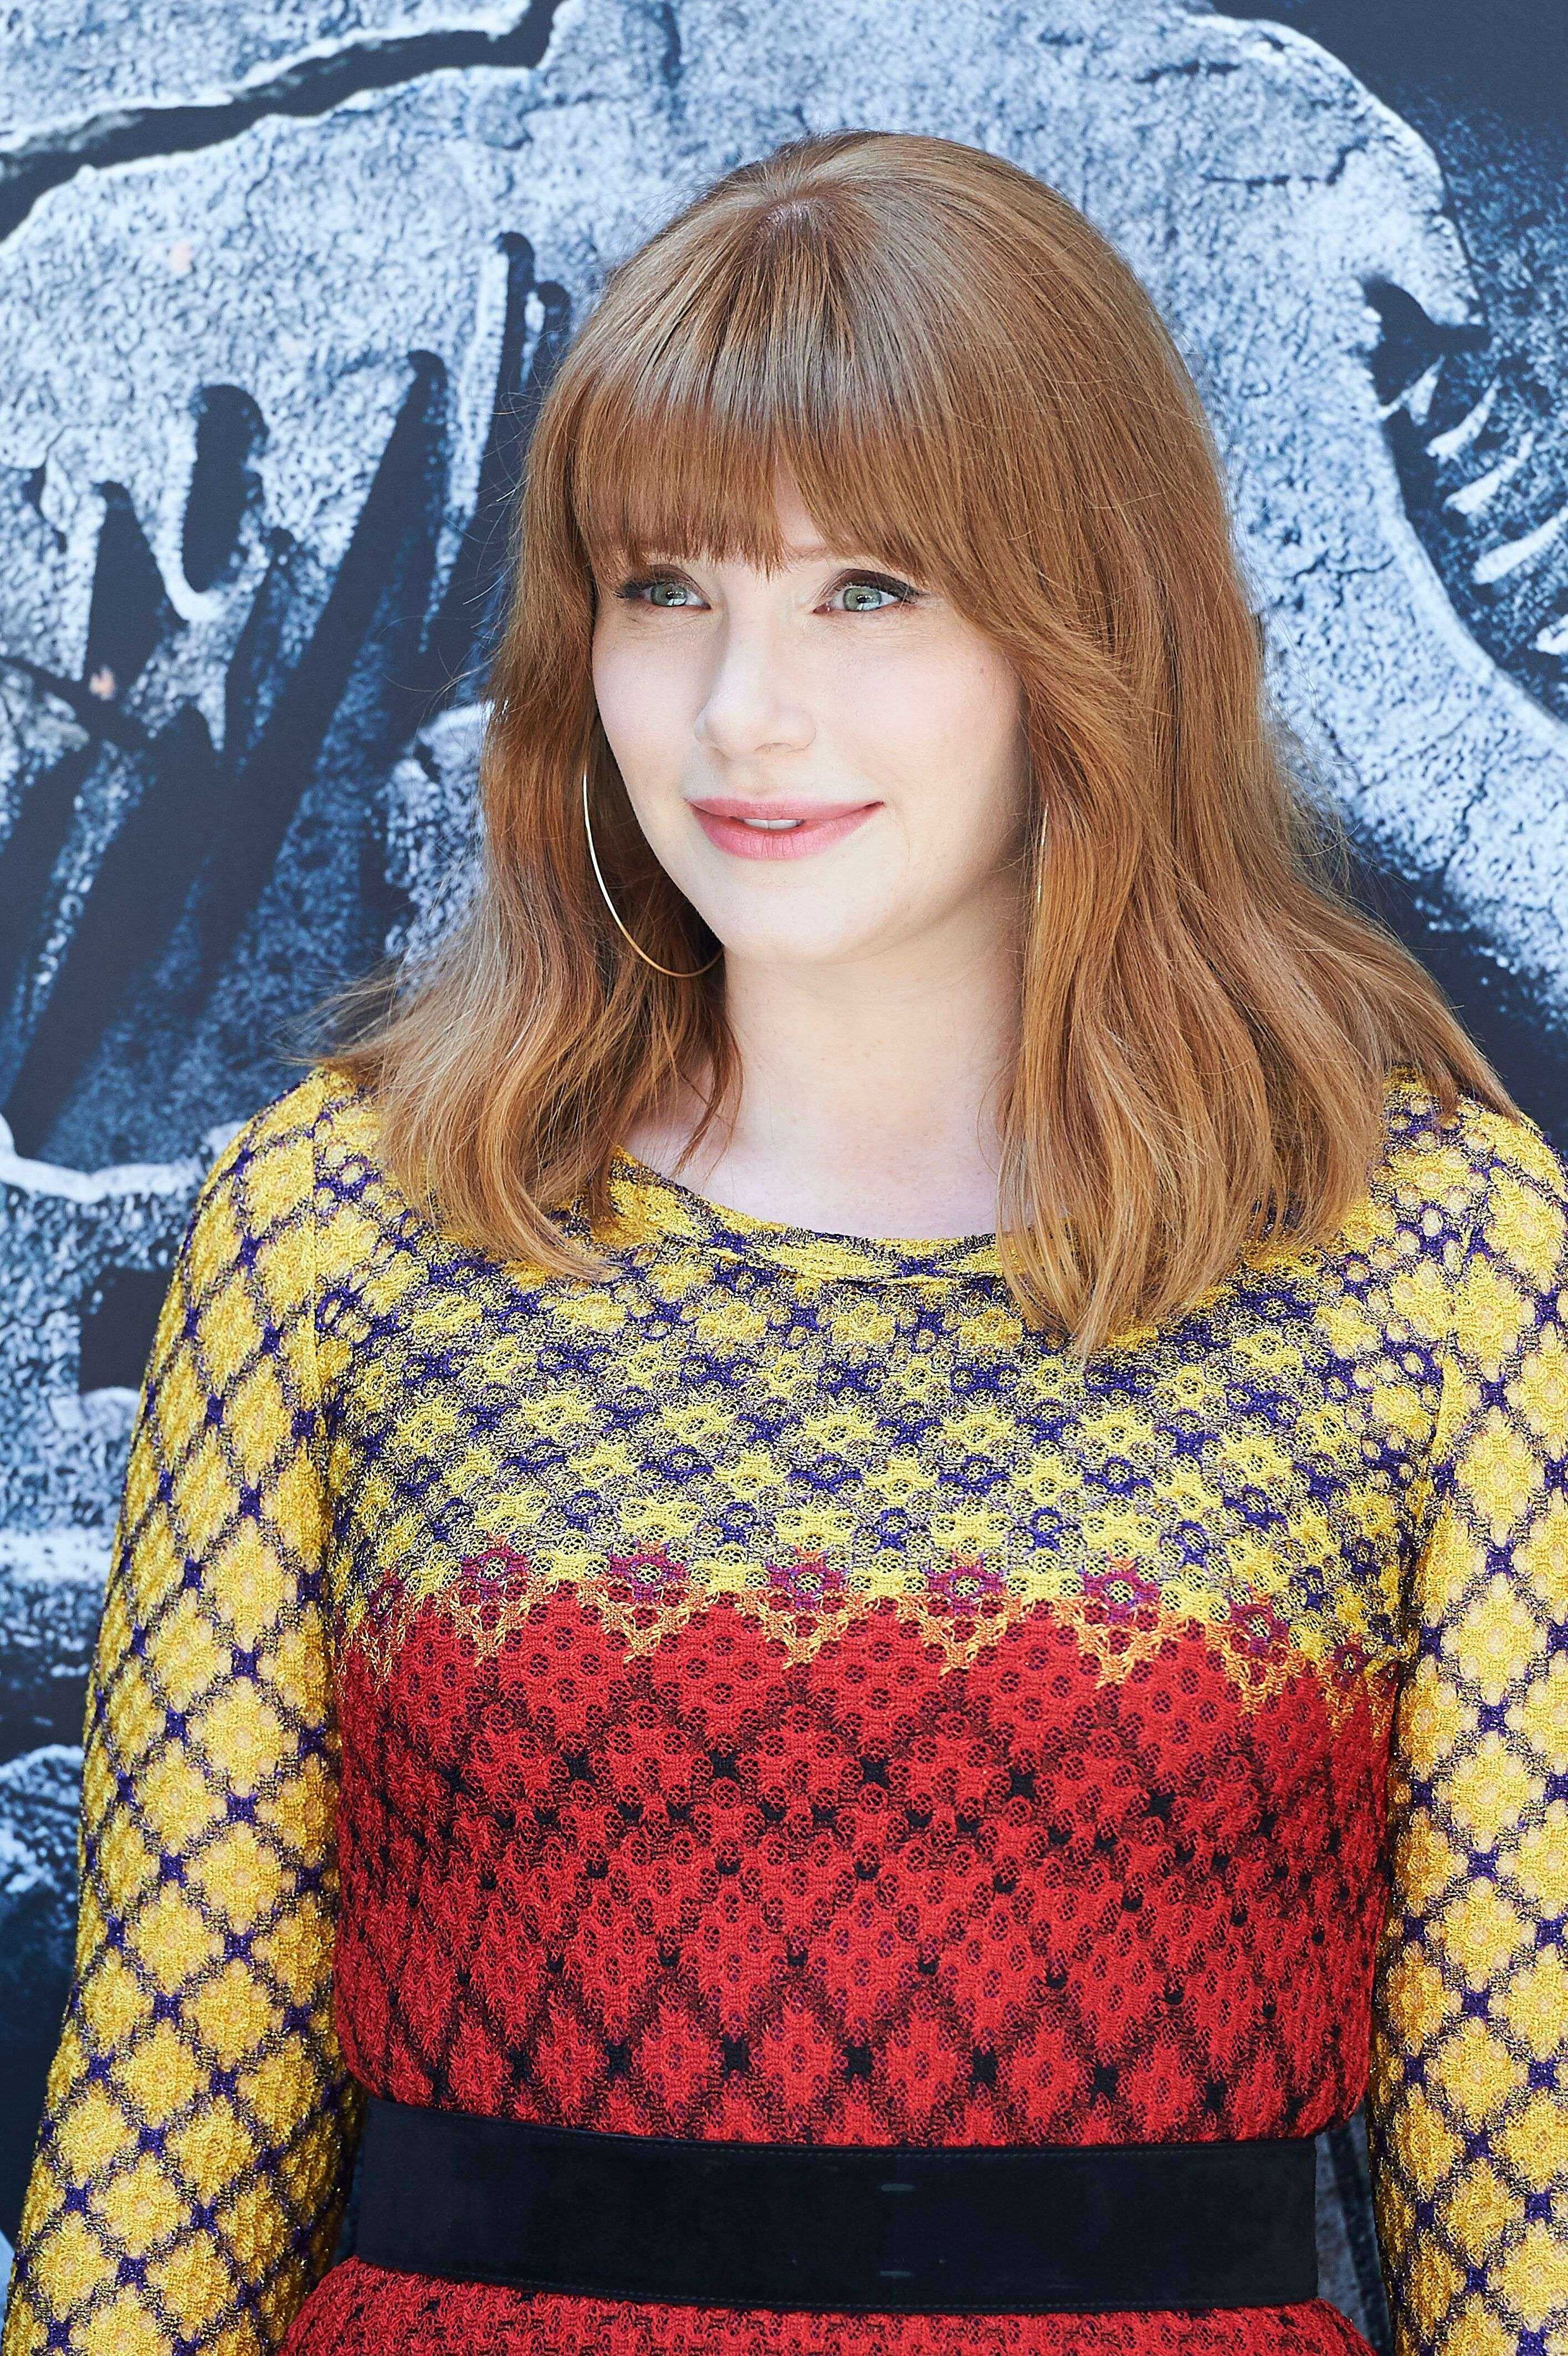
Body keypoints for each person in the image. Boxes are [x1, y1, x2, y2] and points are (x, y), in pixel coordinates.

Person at [3, 126, 1563, 2356]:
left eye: (868, 591)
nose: (746, 711)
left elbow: (1526, 2190)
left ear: (1092, 620)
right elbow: (166, 2153)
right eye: (667, 589)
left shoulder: (1437, 1265)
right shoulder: (340, 1230)